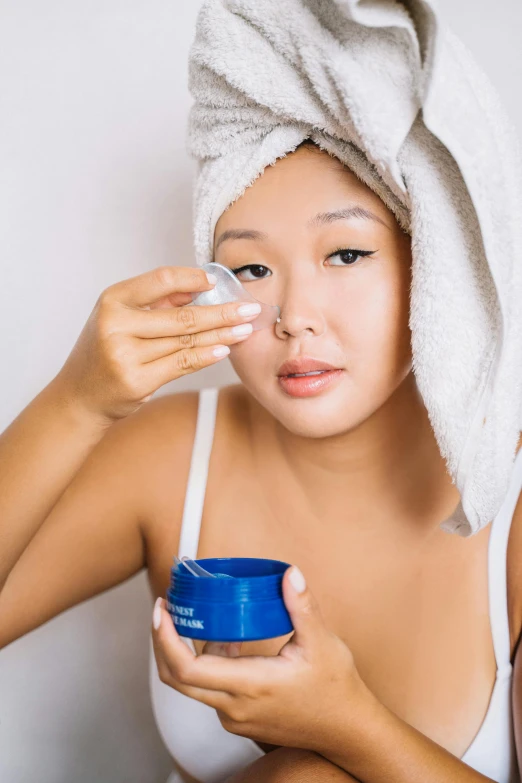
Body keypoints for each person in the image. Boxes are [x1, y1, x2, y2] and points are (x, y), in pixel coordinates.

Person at [1, 141, 521, 783]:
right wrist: (75, 402)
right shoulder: (170, 453)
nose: (294, 318)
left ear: (437, 266)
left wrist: (348, 726)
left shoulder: (512, 499)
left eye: (346, 254)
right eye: (249, 269)